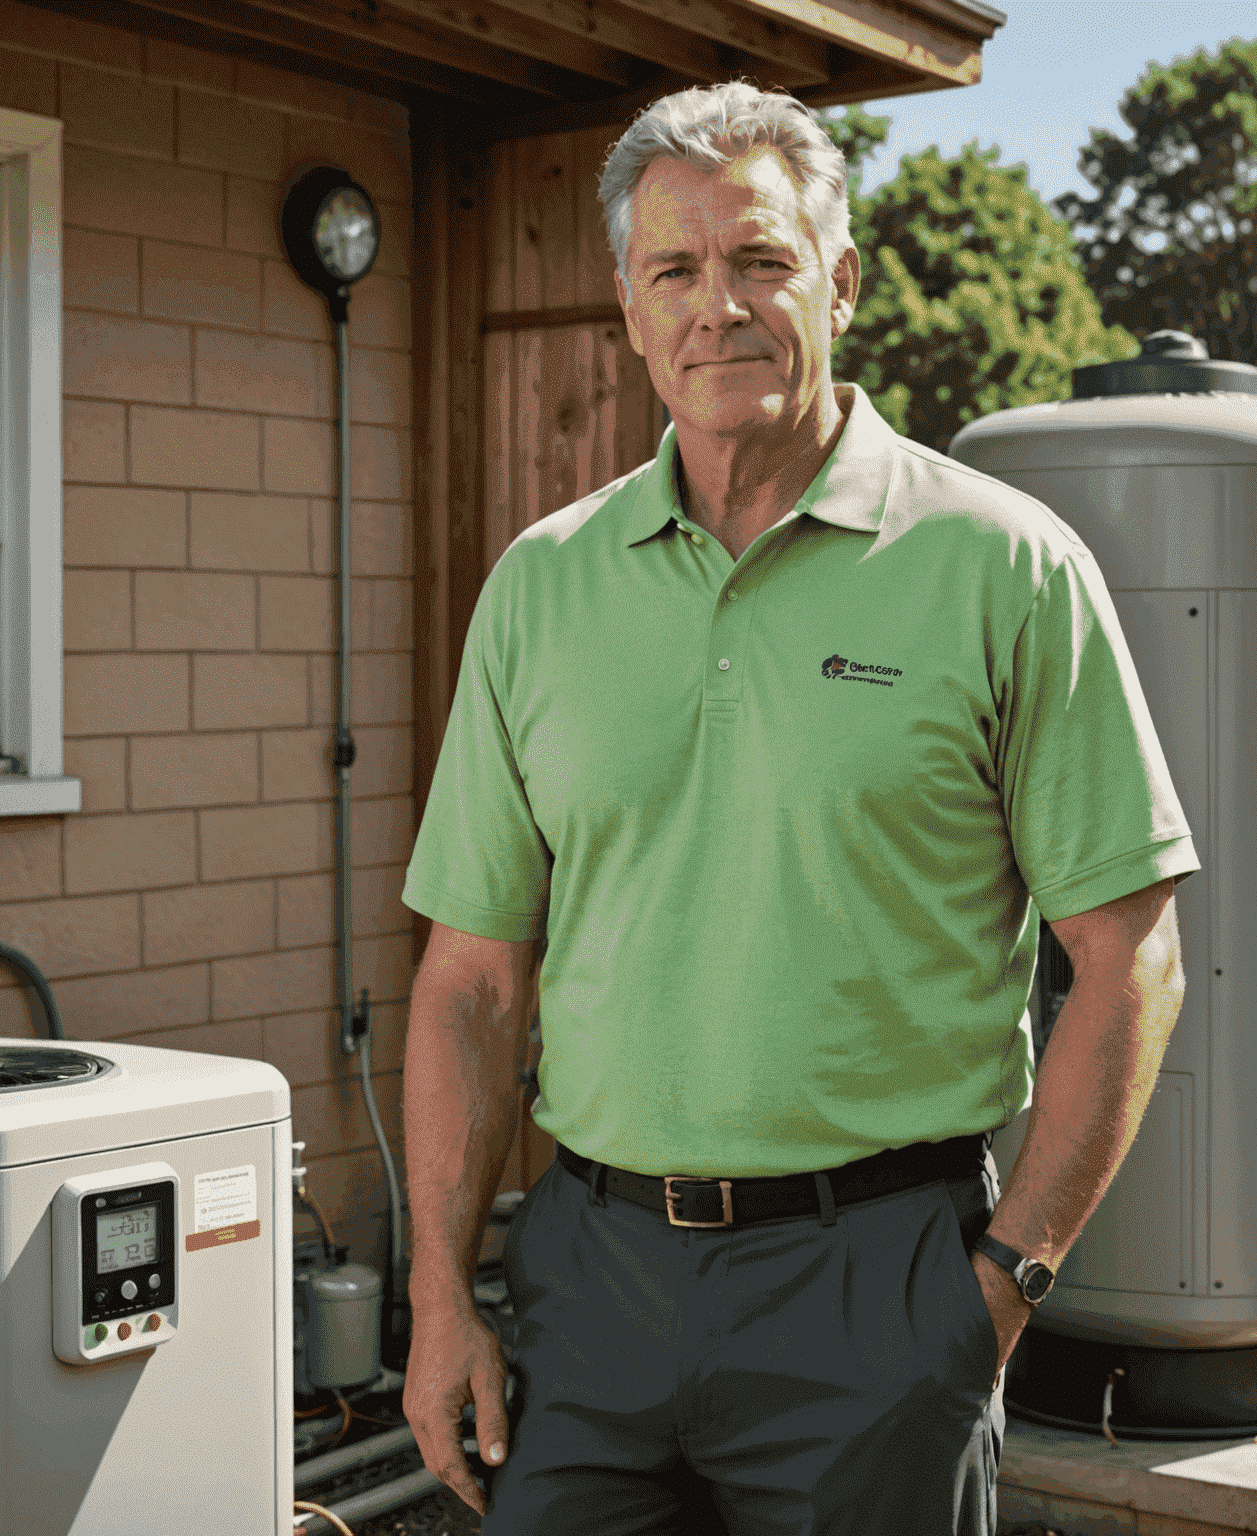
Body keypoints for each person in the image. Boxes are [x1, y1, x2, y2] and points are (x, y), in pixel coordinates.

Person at [399, 80, 1199, 1535]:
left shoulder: (1006, 566)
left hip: (878, 1286)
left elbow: (1130, 960)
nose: (722, 308)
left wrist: (1000, 1289)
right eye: (675, 273)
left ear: (837, 280)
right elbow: (468, 978)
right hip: (589, 1285)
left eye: (760, 260)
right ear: (631, 317)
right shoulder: (541, 587)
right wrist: (440, 1294)